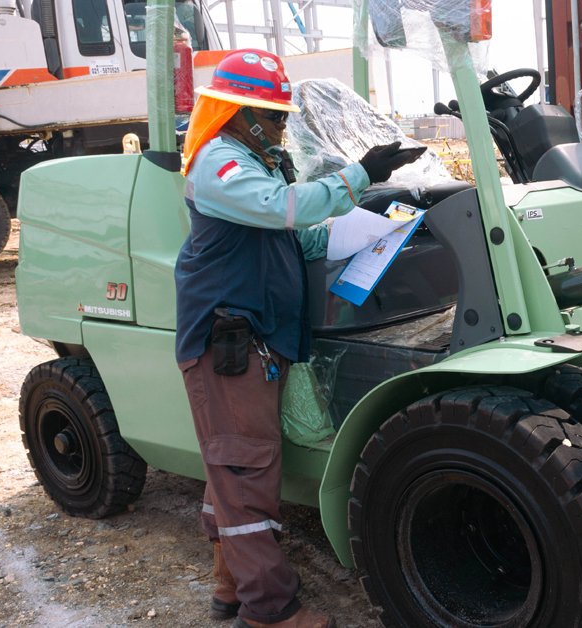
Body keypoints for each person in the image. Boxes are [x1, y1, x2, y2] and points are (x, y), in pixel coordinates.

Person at [174, 49, 422, 628]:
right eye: (276, 116)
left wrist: (361, 232)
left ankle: (230, 586)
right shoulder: (219, 162)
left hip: (252, 337)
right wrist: (358, 176)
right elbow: (280, 210)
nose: (283, 126)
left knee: (234, 467)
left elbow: (287, 240)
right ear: (240, 112)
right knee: (245, 470)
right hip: (229, 342)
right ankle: (270, 611)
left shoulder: (253, 160)